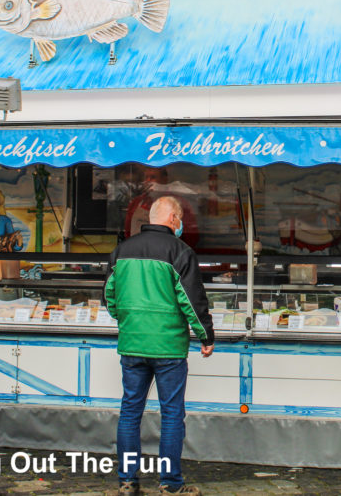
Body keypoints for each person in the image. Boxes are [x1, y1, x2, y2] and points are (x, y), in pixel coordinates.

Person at [105, 195, 214, 496]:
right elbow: (192, 300)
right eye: (180, 219)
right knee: (171, 415)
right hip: (168, 349)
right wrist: (206, 336)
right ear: (173, 219)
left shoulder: (120, 252)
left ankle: (127, 482)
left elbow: (110, 297)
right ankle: (170, 484)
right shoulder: (180, 252)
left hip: (132, 345)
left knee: (130, 412)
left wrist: (128, 321)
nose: (180, 225)